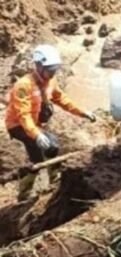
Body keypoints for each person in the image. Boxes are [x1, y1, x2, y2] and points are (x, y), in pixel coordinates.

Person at [5, 45, 96, 201]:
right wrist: (37, 135)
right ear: (39, 66)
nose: (52, 73)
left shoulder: (50, 81)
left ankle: (50, 181)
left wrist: (83, 112)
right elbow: (23, 116)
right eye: (50, 70)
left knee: (47, 150)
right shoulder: (23, 86)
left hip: (34, 125)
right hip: (18, 126)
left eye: (55, 69)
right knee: (45, 150)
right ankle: (28, 192)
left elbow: (62, 99)